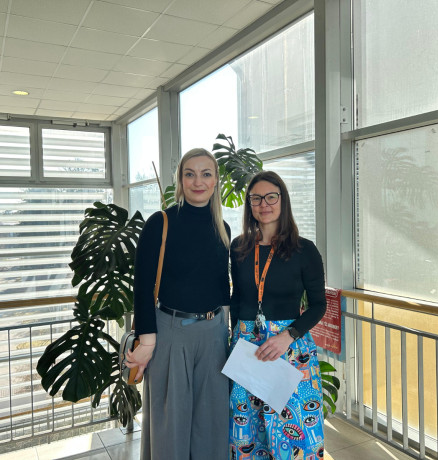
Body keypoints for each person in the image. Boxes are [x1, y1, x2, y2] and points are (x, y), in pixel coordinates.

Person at [126, 148, 231, 460]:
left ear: (215, 181)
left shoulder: (223, 228)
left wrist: (230, 330)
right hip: (170, 333)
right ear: (180, 180)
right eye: (190, 174)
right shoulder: (160, 223)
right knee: (170, 424)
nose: (198, 181)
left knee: (212, 424)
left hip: (214, 334)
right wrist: (146, 340)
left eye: (206, 174)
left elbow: (221, 285)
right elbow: (142, 285)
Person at [229, 170, 327, 460]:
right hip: (246, 349)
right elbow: (237, 298)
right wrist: (233, 340)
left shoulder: (304, 250)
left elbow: (318, 305)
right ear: (249, 204)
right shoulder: (239, 247)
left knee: (294, 434)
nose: (264, 204)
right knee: (247, 435)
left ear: (283, 200)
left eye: (271, 197)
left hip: (290, 349)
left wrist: (288, 336)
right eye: (256, 198)